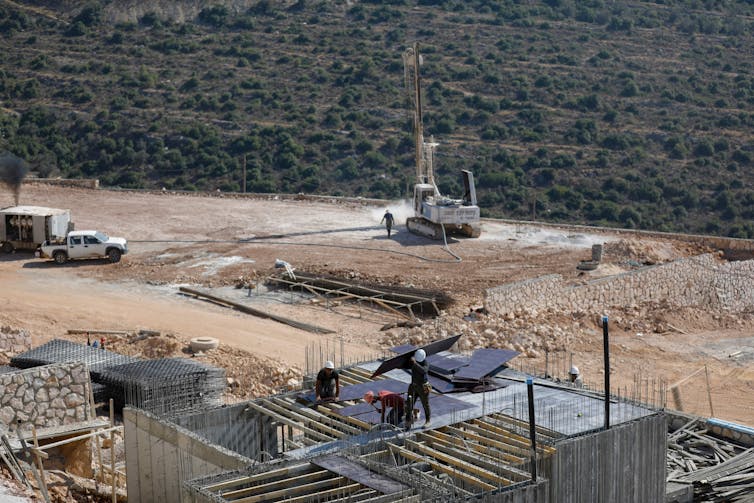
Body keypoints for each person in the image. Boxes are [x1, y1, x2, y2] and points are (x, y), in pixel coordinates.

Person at [406, 349, 431, 428]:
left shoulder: (425, 363)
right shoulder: (413, 361)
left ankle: (428, 421)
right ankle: (408, 421)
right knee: (409, 404)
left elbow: (424, 371)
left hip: (423, 387)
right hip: (413, 386)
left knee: (425, 404)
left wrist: (415, 363)